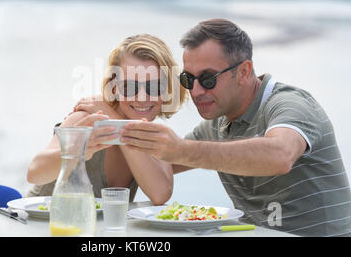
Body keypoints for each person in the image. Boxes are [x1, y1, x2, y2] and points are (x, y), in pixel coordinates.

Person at [119, 19, 351, 236]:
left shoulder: (290, 104)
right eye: (188, 80)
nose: (197, 91)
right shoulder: (217, 125)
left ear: (243, 72)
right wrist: (111, 114)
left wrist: (183, 150)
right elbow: (159, 165)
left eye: (208, 79)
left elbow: (280, 155)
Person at [27, 34, 188, 205]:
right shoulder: (87, 118)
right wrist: (77, 150)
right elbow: (34, 173)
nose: (142, 97)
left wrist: (117, 123)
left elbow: (160, 194)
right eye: (129, 86)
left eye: (154, 87)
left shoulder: (155, 135)